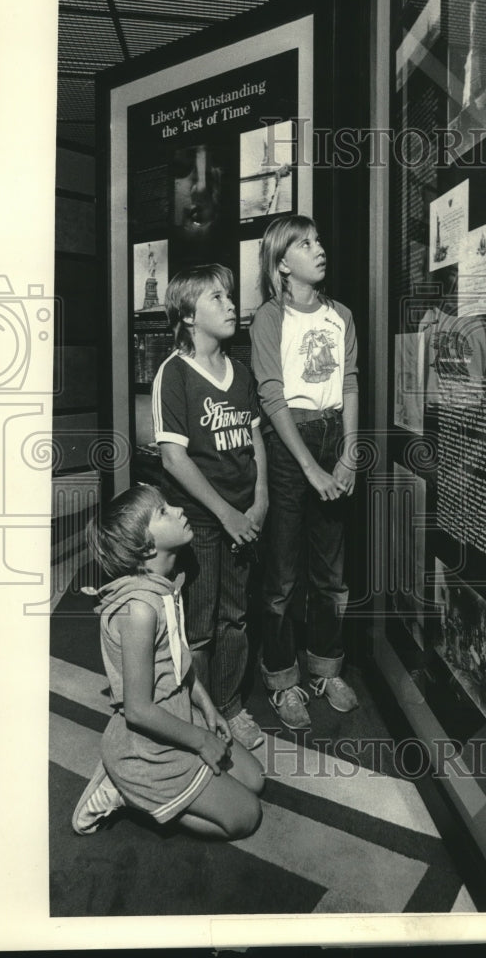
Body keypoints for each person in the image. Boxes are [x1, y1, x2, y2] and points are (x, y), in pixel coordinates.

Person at [73, 484, 264, 838]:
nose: (177, 510)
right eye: (162, 512)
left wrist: (208, 708)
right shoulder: (140, 610)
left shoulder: (165, 585)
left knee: (254, 779)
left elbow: (179, 661)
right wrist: (201, 740)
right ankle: (125, 790)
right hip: (148, 744)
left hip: (179, 715)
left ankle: (157, 783)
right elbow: (138, 710)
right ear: (146, 547)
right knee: (245, 817)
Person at [152, 262, 267, 750]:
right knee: (198, 624)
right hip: (202, 520)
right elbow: (174, 459)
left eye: (230, 295)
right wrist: (226, 514)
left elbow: (255, 440)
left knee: (236, 616)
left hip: (243, 517)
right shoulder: (173, 373)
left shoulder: (240, 372)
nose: (230, 304)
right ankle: (200, 713)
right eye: (216, 298)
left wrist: (260, 502)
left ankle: (232, 705)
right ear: (188, 315)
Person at [250, 215, 359, 730]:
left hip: (332, 435)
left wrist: (350, 452)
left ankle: (325, 668)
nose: (319, 249)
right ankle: (281, 679)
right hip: (288, 439)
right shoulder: (270, 319)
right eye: (305, 243)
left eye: (319, 240)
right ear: (281, 263)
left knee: (331, 574)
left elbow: (351, 384)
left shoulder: (341, 316)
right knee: (281, 578)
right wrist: (310, 466)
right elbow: (272, 398)